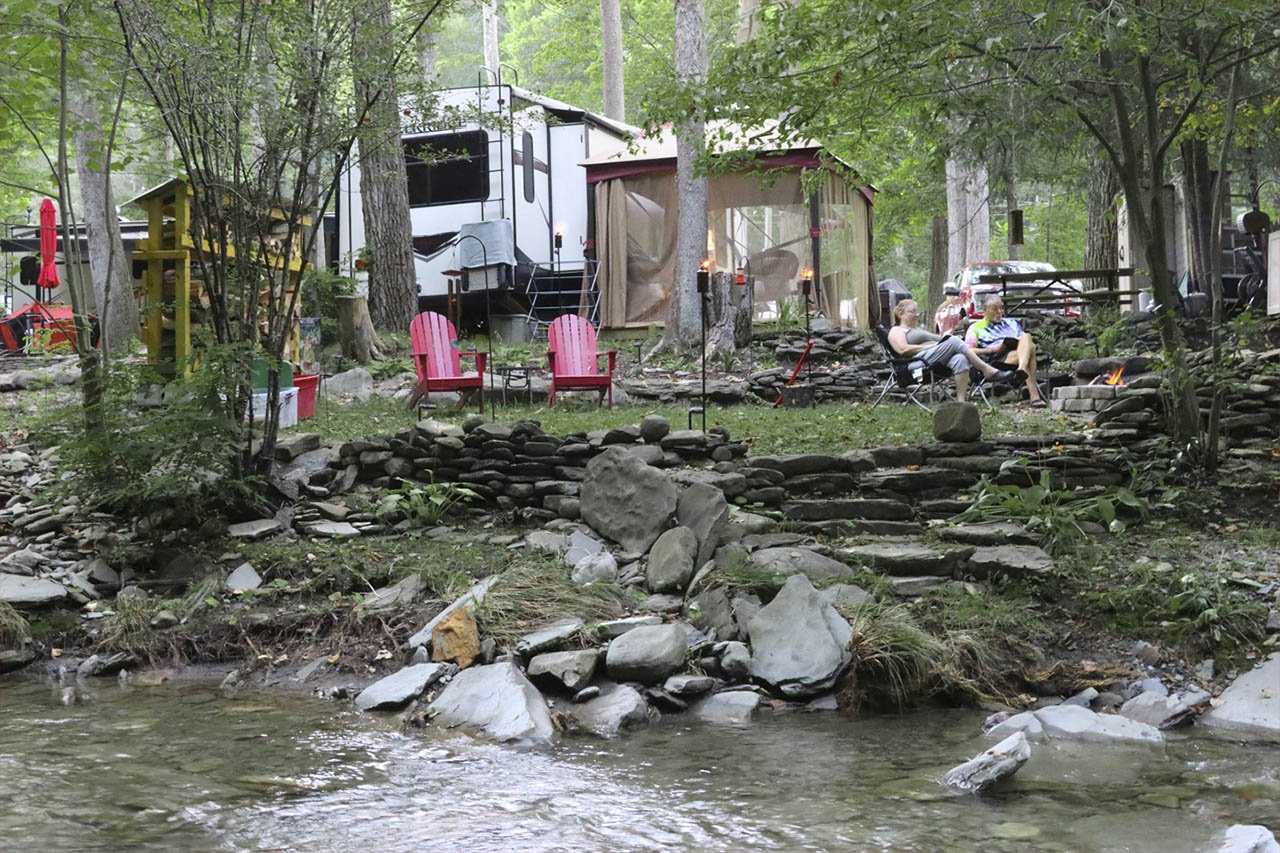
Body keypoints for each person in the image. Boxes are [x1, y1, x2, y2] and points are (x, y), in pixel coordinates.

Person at [887, 299, 1017, 402]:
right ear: (900, 313)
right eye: (912, 312)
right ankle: (986, 369)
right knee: (953, 340)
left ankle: (961, 402)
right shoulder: (897, 330)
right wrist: (934, 346)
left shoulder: (918, 330)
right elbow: (902, 350)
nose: (916, 315)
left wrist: (939, 346)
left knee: (960, 358)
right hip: (916, 364)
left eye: (917, 312)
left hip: (934, 359)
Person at [964, 296, 1045, 407]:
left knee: (1027, 336)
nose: (1000, 312)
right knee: (1030, 353)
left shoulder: (1011, 323)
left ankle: (1022, 369)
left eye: (1001, 308)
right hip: (995, 360)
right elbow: (968, 350)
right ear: (985, 310)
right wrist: (992, 350)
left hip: (1016, 355)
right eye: (995, 308)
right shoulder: (975, 328)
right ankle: (1034, 397)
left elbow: (1026, 342)